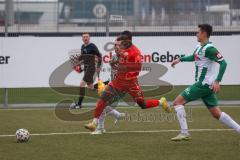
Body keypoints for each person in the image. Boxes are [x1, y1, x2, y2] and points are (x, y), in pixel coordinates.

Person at [84, 31, 172, 131]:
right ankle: (94, 123)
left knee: (142, 104)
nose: (119, 44)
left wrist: (125, 67)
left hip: (131, 83)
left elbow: (137, 68)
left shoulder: (135, 52)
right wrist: (115, 62)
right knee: (103, 99)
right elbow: (117, 61)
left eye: (122, 41)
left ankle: (161, 102)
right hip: (117, 82)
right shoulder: (122, 48)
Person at [171, 24, 240, 141]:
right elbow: (194, 57)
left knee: (177, 102)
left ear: (204, 33)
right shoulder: (199, 47)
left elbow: (224, 63)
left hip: (202, 85)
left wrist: (217, 81)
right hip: (207, 87)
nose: (196, 34)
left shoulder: (210, 49)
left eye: (198, 32)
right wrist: (180, 59)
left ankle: (184, 133)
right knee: (216, 114)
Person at [71, 32, 102, 109]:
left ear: (89, 38)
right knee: (91, 87)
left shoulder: (92, 46)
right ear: (82, 38)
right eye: (84, 37)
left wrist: (98, 66)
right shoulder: (82, 46)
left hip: (91, 68)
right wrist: (77, 63)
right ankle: (106, 93)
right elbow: (83, 57)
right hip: (86, 68)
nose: (85, 38)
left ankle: (79, 104)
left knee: (81, 84)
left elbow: (99, 56)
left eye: (87, 37)